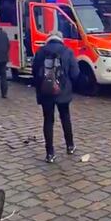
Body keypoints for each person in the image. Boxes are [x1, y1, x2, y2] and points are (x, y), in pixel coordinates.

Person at [32, 31, 80, 163]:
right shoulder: (67, 51)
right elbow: (75, 73)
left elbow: (34, 71)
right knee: (65, 117)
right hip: (63, 91)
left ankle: (50, 153)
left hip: (45, 91)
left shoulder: (41, 52)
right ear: (60, 39)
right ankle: (70, 146)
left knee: (48, 120)